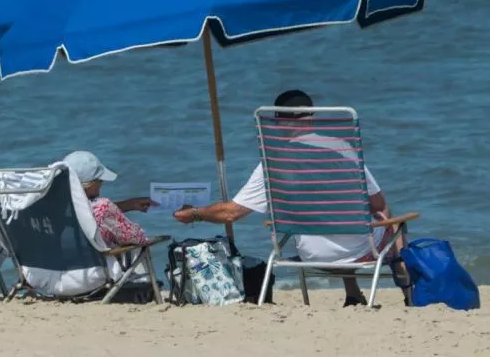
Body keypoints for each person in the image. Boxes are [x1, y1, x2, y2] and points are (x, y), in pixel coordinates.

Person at [174, 90, 411, 306]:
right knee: (392, 220)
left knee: (325, 221)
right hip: (360, 252)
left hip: (312, 255)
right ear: (312, 116)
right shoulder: (343, 149)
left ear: (277, 122)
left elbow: (232, 213)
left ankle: (352, 294)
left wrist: (195, 213)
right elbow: (378, 204)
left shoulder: (272, 163)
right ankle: (409, 293)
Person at [63, 151, 157, 248]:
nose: (101, 183)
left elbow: (89, 210)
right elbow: (137, 238)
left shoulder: (54, 208)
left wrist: (129, 205)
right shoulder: (102, 207)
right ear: (89, 184)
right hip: (99, 262)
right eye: (99, 180)